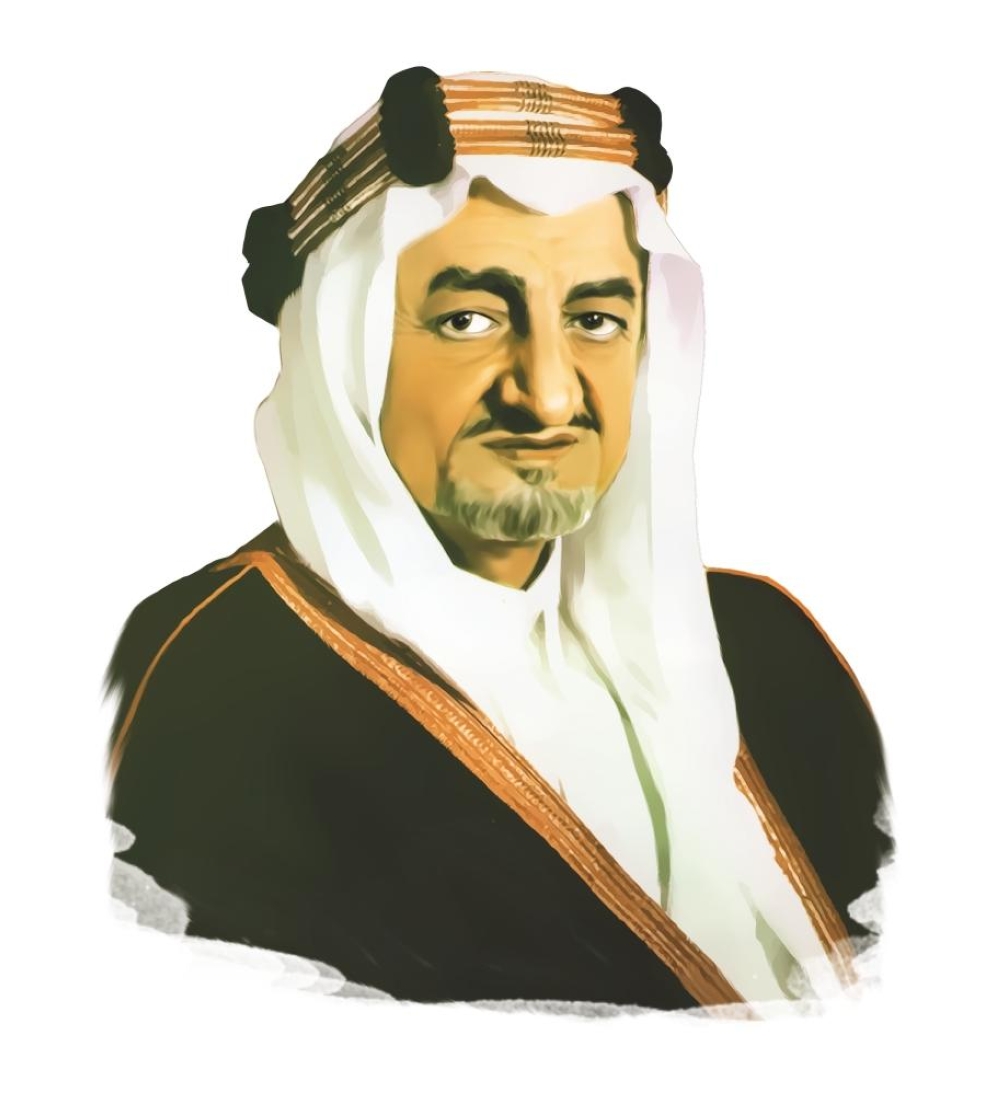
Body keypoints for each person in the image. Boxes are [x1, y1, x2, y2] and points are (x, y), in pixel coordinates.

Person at [106, 67, 892, 1014]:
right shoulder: (217, 684)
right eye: (469, 320)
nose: (549, 394)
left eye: (596, 319)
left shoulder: (770, 646)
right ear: (347, 350)